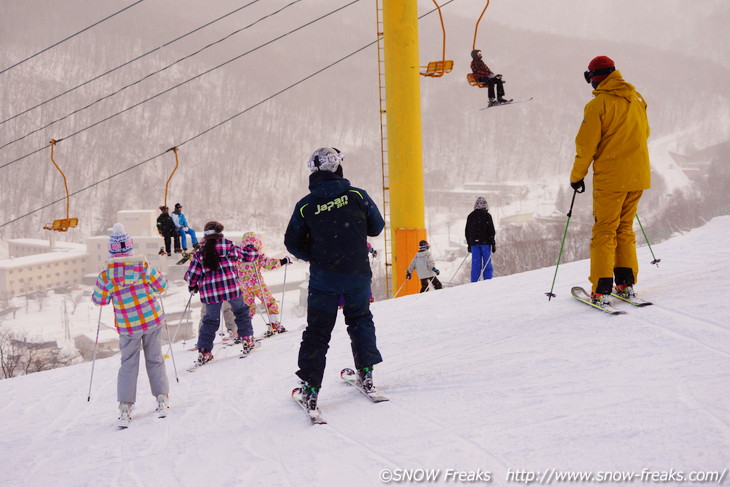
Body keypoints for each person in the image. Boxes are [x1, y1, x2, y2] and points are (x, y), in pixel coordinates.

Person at [284, 147, 385, 411]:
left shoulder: (306, 206)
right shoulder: (356, 196)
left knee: (317, 332)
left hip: (324, 279)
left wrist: (315, 255)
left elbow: (291, 243)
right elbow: (376, 227)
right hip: (357, 274)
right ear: (338, 168)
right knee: (360, 320)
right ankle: (367, 374)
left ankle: (311, 388)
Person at [569, 56, 651, 305]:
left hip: (612, 180)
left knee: (605, 231)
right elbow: (645, 132)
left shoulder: (598, 105)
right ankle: (625, 284)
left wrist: (577, 176)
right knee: (624, 229)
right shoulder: (636, 98)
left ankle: (601, 288)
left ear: (595, 77)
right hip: (638, 177)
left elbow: (586, 146)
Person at [91, 223, 169, 425]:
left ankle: (125, 405)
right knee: (155, 358)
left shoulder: (107, 275)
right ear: (130, 247)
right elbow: (161, 286)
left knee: (128, 364)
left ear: (112, 250)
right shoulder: (143, 267)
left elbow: (99, 300)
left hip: (128, 325)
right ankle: (161, 397)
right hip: (152, 319)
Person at [184, 221, 258, 364]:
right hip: (231, 287)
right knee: (241, 312)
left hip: (210, 293)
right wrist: (251, 247)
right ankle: (247, 340)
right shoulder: (228, 245)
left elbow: (193, 275)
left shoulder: (200, 252)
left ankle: (204, 352)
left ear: (205, 236)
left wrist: (192, 286)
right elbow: (249, 256)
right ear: (220, 233)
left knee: (210, 321)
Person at [238, 232, 291, 337]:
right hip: (257, 284)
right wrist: (283, 261)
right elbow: (268, 263)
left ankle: (244, 332)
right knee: (269, 302)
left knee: (247, 308)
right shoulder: (257, 255)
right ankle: (274, 323)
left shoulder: (238, 256)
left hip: (243, 286)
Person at [465, 196, 497, 282]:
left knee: (476, 264)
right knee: (487, 264)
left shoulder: (470, 216)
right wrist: (493, 243)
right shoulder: (487, 215)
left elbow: (467, 232)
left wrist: (469, 244)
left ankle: (474, 282)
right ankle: (488, 281)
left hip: (474, 244)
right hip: (486, 243)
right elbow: (491, 230)